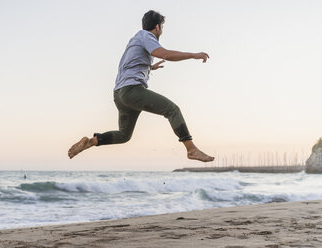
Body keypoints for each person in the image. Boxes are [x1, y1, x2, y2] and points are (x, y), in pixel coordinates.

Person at [68, 10, 215, 163]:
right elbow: (166, 54)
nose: (162, 30)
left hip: (119, 94)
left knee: (124, 135)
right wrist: (193, 55)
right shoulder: (147, 36)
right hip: (132, 91)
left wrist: (150, 67)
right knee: (172, 110)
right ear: (157, 27)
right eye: (162, 27)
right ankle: (191, 149)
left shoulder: (134, 40)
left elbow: (129, 65)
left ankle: (92, 141)